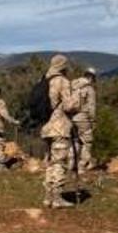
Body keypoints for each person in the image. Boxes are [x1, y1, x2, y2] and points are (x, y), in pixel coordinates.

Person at [41, 54, 78, 208]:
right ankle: (57, 197)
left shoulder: (44, 81)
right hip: (59, 126)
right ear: (63, 66)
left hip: (46, 127)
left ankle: (48, 196)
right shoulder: (62, 81)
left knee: (50, 162)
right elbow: (69, 106)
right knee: (59, 163)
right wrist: (76, 100)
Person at [71, 68, 98, 172]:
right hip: (82, 118)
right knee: (87, 141)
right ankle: (82, 165)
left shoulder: (72, 85)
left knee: (75, 141)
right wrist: (93, 121)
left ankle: (71, 164)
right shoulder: (89, 89)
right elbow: (92, 108)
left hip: (71, 117)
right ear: (91, 77)